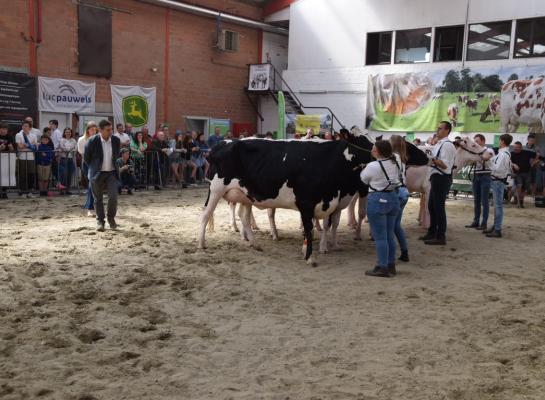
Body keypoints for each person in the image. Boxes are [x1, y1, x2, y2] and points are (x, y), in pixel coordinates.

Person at [360, 140, 402, 278]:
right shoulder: (395, 161)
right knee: (389, 234)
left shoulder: (373, 165)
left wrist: (366, 168)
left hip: (377, 199)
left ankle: (382, 267)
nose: (371, 150)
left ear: (377, 152)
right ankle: (391, 265)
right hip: (393, 198)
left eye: (373, 149)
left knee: (380, 237)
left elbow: (364, 179)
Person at [420, 121, 456, 245]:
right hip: (435, 177)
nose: (437, 130)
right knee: (432, 207)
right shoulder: (440, 144)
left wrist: (431, 159)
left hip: (441, 178)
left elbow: (445, 165)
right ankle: (432, 232)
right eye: (437, 128)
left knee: (439, 208)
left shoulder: (447, 145)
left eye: (440, 128)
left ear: (447, 130)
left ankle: (440, 236)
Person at [84, 119, 121, 232]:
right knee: (97, 199)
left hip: (111, 172)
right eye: (108, 130)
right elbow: (87, 158)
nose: (110, 132)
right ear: (100, 130)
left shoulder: (116, 140)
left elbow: (116, 155)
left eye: (111, 129)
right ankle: (100, 221)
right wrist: (94, 169)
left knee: (113, 197)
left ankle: (111, 219)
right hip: (97, 173)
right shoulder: (91, 141)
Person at [485, 134, 514, 238]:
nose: (498, 142)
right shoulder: (503, 153)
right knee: (497, 206)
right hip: (497, 181)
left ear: (502, 141)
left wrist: (488, 161)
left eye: (499, 140)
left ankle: (497, 229)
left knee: (498, 206)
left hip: (498, 181)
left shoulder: (503, 154)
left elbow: (498, 169)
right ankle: (495, 226)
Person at [465, 134, 494, 230]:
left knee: (484, 200)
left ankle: (484, 223)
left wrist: (475, 157)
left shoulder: (489, 150)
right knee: (476, 200)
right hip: (476, 175)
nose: (475, 143)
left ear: (483, 141)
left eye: (477, 141)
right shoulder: (475, 152)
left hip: (485, 175)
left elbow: (486, 158)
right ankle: (476, 221)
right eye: (474, 141)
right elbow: (469, 162)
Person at [389, 135, 410, 262]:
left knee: (389, 226)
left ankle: (390, 256)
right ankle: (404, 251)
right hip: (404, 192)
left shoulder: (392, 157)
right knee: (396, 225)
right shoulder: (402, 159)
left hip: (395, 193)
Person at [510, 141, 539, 208]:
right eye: (514, 147)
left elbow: (537, 154)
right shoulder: (511, 154)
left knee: (524, 188)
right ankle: (518, 201)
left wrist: (533, 163)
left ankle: (521, 201)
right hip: (517, 173)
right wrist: (513, 164)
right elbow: (508, 161)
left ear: (521, 148)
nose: (515, 149)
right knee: (519, 186)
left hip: (527, 173)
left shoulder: (526, 152)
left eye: (517, 147)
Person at [78, 121, 97, 217]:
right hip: (87, 163)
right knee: (91, 184)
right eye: (92, 129)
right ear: (88, 130)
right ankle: (90, 207)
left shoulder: (98, 139)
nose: (94, 131)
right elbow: (82, 154)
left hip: (96, 164)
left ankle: (90, 204)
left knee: (92, 184)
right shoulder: (82, 140)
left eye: (95, 129)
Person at [15, 120, 38, 198]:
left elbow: (35, 147)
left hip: (31, 157)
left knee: (31, 174)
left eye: (27, 126)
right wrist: (30, 145)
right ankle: (22, 191)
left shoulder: (33, 135)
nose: (25, 127)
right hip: (22, 157)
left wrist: (26, 145)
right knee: (22, 175)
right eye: (24, 126)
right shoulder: (19, 135)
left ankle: (30, 190)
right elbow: (19, 146)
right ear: (22, 127)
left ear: (29, 127)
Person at [58, 127, 77, 195]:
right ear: (64, 133)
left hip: (71, 159)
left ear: (71, 133)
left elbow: (75, 148)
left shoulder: (73, 140)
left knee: (69, 175)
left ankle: (67, 189)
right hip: (63, 159)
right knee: (63, 174)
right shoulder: (62, 140)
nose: (68, 133)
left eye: (69, 132)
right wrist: (69, 149)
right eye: (66, 132)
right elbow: (62, 147)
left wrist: (69, 150)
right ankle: (62, 190)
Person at [0, 122, 16, 198]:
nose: (3, 130)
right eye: (2, 129)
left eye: (5, 129)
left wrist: (11, 147)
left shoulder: (10, 137)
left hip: (6, 158)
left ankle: (4, 192)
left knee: (5, 174)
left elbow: (13, 149)